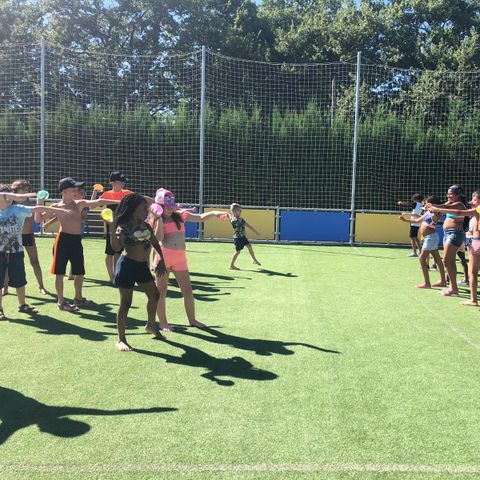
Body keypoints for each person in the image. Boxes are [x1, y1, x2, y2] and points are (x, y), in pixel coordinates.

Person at [34, 177, 119, 312]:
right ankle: (61, 301)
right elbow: (38, 219)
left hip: (76, 241)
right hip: (62, 241)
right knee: (60, 273)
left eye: (76, 189)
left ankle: (78, 298)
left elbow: (99, 201)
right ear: (64, 191)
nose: (76, 191)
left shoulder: (79, 203)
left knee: (79, 272)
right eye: (73, 189)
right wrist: (39, 202)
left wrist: (120, 201)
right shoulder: (57, 206)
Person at [150, 188, 225, 331]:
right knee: (161, 292)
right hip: (163, 259)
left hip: (180, 259)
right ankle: (163, 322)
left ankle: (192, 320)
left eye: (171, 207)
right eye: (166, 207)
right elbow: (158, 238)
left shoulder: (180, 215)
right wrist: (158, 218)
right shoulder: (156, 220)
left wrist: (215, 213)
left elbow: (200, 217)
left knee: (188, 291)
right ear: (159, 206)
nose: (169, 210)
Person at [109, 193, 167, 351]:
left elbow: (155, 242)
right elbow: (116, 247)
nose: (147, 211)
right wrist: (112, 227)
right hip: (127, 266)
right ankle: (121, 339)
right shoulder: (123, 226)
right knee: (126, 303)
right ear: (134, 209)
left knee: (154, 295)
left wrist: (161, 259)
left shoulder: (146, 225)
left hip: (141, 266)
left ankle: (150, 325)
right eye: (143, 209)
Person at [0, 184, 67, 320]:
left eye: (9, 195)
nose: (9, 198)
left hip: (16, 251)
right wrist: (23, 195)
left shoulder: (18, 209)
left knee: (20, 280)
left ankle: (23, 305)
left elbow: (37, 209)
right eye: (5, 196)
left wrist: (52, 207)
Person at [429, 190, 480, 306]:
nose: (471, 202)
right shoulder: (475, 210)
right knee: (471, 271)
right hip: (472, 240)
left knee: (472, 272)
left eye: (474, 200)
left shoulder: (477, 209)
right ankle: (471, 298)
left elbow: (459, 212)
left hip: (475, 241)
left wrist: (438, 209)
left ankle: (473, 300)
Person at [2, 179, 48, 296]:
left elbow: (39, 218)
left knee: (35, 261)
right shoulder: (8, 205)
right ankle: (5, 288)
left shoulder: (32, 204)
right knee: (7, 263)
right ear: (15, 192)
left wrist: (43, 205)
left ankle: (41, 286)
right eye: (23, 191)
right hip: (12, 238)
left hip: (27, 236)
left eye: (28, 190)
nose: (26, 193)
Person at [425, 185, 467, 297]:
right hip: (448, 234)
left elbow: (444, 208)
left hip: (455, 234)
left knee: (447, 261)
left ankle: (453, 288)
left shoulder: (459, 204)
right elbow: (443, 206)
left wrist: (435, 207)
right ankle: (453, 287)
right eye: (448, 193)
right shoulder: (450, 203)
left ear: (458, 195)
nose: (448, 196)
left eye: (451, 194)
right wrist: (432, 206)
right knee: (450, 261)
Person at [92, 172, 133, 283]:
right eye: (121, 182)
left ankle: (117, 275)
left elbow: (139, 201)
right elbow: (93, 205)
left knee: (119, 252)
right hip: (111, 228)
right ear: (113, 183)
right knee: (110, 253)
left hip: (124, 229)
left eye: (124, 182)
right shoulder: (107, 194)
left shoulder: (128, 193)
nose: (123, 184)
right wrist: (95, 192)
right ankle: (111, 277)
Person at [399, 196, 446, 289]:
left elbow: (437, 214)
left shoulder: (436, 213)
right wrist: (405, 220)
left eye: (427, 202)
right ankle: (443, 281)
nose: (425, 203)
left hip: (430, 238)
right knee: (437, 259)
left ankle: (427, 283)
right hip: (430, 238)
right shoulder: (428, 212)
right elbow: (417, 220)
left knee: (422, 258)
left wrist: (433, 207)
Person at [227, 203, 261, 270]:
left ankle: (254, 260)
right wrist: (256, 231)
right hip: (238, 238)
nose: (241, 212)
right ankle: (231, 265)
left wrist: (228, 214)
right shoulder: (240, 219)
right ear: (235, 211)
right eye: (240, 211)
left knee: (249, 246)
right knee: (238, 252)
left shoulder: (232, 219)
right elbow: (248, 226)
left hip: (241, 237)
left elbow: (229, 216)